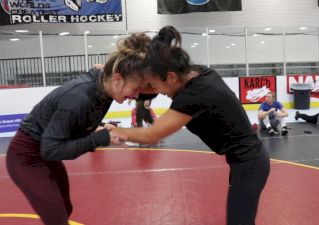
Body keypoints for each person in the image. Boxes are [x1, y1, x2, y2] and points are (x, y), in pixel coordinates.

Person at [111, 26, 270, 225]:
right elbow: (162, 61)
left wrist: (112, 130)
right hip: (246, 161)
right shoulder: (199, 74)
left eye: (154, 85)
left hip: (250, 164)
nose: (156, 91)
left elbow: (152, 135)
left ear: (170, 77)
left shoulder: (192, 97)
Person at [5, 32, 151, 225]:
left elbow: (83, 113)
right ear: (117, 78)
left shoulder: (105, 86)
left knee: (65, 208)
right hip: (27, 157)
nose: (137, 96)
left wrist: (98, 127)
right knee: (57, 219)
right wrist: (100, 138)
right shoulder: (79, 98)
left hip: (44, 150)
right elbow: (51, 150)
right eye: (136, 89)